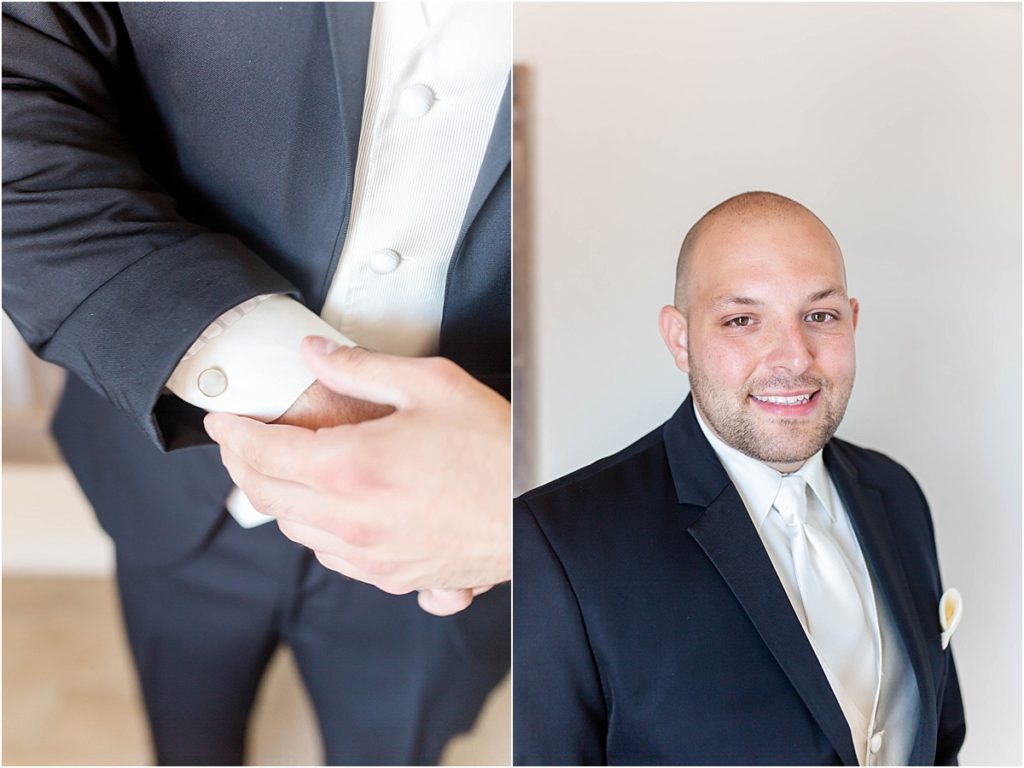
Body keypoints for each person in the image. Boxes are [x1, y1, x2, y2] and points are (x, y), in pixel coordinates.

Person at [3, 3, 510, 765]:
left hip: (466, 553)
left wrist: (532, 495)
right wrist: (303, 398)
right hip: (173, 478)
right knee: (187, 738)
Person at [513, 191, 965, 765]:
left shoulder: (897, 493)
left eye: (819, 316)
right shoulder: (558, 541)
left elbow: (940, 737)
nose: (794, 358)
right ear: (680, 340)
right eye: (743, 320)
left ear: (852, 321)